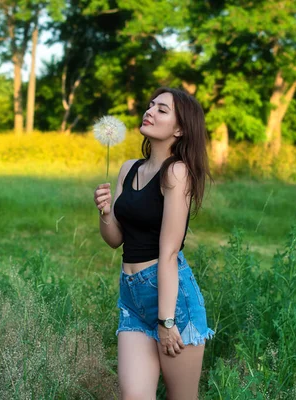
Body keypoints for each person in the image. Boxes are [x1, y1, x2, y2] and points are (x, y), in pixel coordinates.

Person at [93, 87, 215, 399]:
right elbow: (115, 240)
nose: (150, 111)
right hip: (132, 296)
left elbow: (170, 252)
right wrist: (106, 212)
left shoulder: (176, 173)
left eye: (162, 110)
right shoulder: (128, 168)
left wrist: (166, 321)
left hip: (172, 302)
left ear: (179, 129)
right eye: (151, 105)